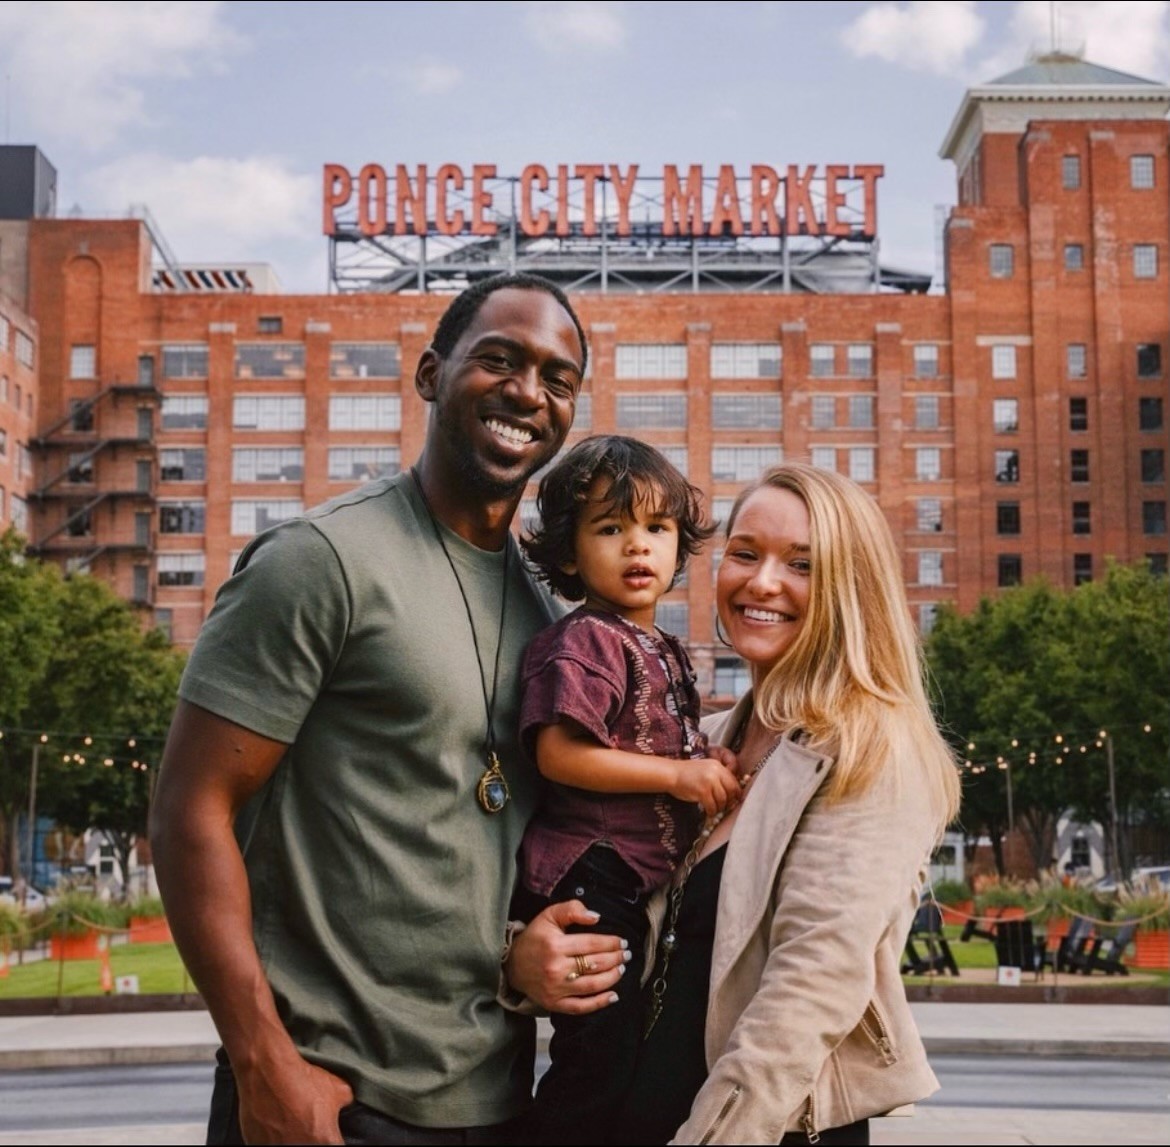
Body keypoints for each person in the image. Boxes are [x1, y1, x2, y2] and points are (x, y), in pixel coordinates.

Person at [149, 273, 629, 1147]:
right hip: (322, 1097)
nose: (529, 392)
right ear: (430, 375)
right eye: (500, 360)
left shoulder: (554, 620)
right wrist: (264, 1064)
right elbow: (189, 810)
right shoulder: (319, 561)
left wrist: (526, 956)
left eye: (558, 379)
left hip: (496, 1102)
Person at [613, 462, 962, 1145]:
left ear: (848, 587)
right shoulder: (707, 745)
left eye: (802, 563)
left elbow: (808, 991)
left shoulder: (870, 746)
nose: (762, 581)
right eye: (745, 552)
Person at [509, 436, 739, 1144]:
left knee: (633, 1050)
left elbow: (657, 733)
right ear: (571, 554)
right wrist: (678, 774)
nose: (637, 547)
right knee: (595, 1053)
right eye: (611, 529)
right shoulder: (584, 642)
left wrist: (705, 752)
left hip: (632, 878)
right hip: (590, 870)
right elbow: (558, 752)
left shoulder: (659, 645)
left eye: (656, 529)